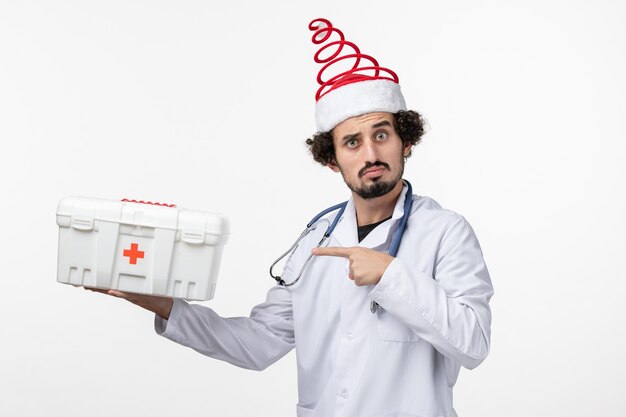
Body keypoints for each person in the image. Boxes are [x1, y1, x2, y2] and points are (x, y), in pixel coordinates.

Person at [91, 18, 494, 417]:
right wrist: (164, 305)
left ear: (405, 141)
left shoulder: (446, 232)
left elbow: (473, 343)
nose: (370, 155)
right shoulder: (317, 240)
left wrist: (391, 275)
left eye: (382, 135)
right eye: (352, 142)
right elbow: (257, 344)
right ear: (332, 160)